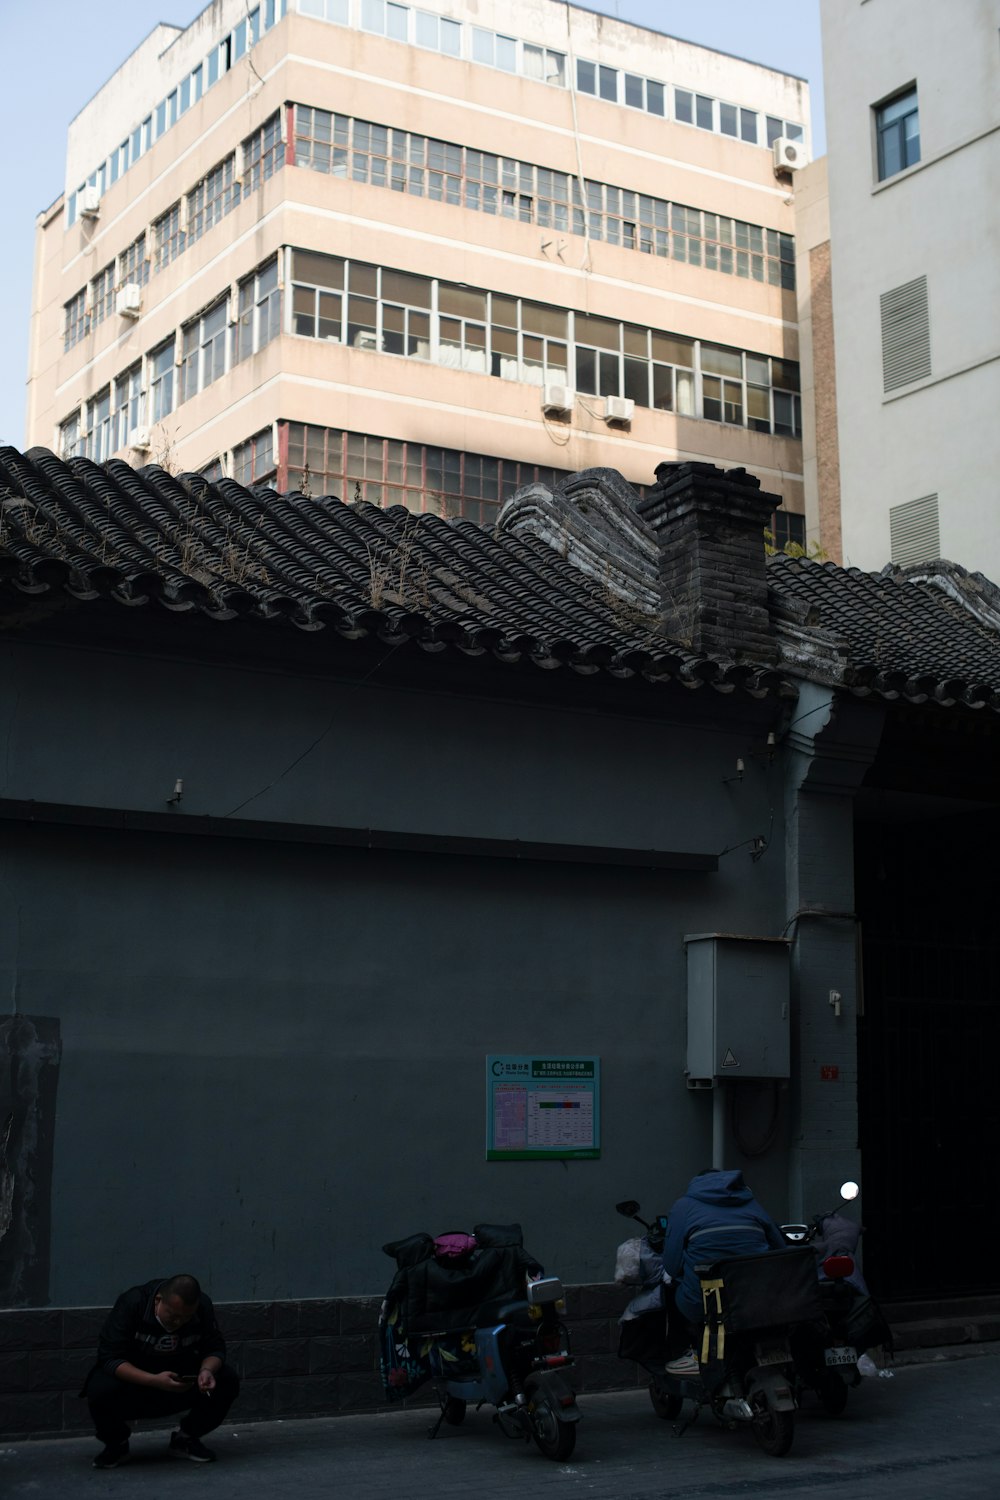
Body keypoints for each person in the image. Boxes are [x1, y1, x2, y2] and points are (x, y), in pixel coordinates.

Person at [80, 1273, 240, 1469]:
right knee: (99, 1387)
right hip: (136, 1383)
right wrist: (153, 1380)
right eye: (173, 1315)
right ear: (158, 1301)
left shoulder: (202, 1306)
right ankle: (117, 1444)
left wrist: (206, 1370)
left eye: (186, 1317)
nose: (178, 1322)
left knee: (226, 1378)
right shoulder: (133, 1303)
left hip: (180, 1382)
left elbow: (215, 1348)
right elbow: (109, 1358)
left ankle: (186, 1439)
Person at [661, 1168, 785, 1374]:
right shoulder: (751, 1203)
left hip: (710, 1299)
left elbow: (671, 1266)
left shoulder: (683, 1206)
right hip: (756, 1296)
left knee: (676, 1294)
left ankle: (694, 1352)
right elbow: (780, 1248)